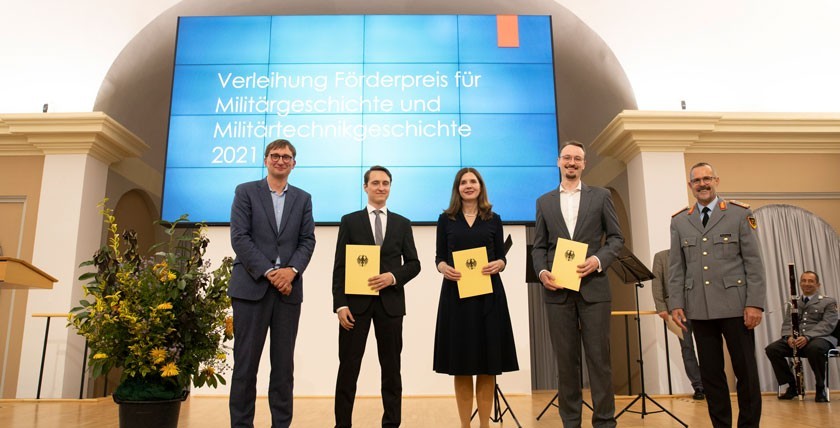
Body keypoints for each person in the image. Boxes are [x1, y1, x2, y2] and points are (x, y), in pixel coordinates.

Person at [531, 141, 624, 428]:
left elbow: (616, 239)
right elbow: (539, 247)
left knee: (599, 361)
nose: (571, 162)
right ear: (558, 162)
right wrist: (542, 271)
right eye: (567, 157)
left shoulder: (601, 196)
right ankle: (571, 422)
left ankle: (605, 422)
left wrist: (597, 260)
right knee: (566, 363)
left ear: (584, 164)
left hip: (594, 289)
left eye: (577, 159)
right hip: (558, 292)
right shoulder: (544, 201)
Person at [668, 162, 765, 428]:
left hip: (736, 307)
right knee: (711, 375)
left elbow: (754, 263)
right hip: (699, 309)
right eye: (697, 180)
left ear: (716, 181)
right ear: (690, 186)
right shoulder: (679, 221)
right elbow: (677, 267)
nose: (702, 184)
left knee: (745, 371)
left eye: (707, 178)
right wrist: (676, 302)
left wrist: (754, 303)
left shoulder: (738, 214)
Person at [228, 139, 316, 428]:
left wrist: (290, 271)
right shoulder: (245, 192)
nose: (281, 160)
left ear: (294, 163)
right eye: (276, 155)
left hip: (288, 293)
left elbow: (307, 240)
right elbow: (240, 237)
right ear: (266, 160)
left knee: (282, 368)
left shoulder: (303, 198)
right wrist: (270, 271)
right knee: (245, 366)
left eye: (287, 157)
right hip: (251, 290)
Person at [332, 166, 421, 427]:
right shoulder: (349, 221)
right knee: (348, 369)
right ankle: (342, 424)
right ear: (365, 187)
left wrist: (392, 277)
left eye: (385, 183)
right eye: (375, 183)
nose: (381, 187)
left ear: (390, 187)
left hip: (391, 306)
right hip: (355, 307)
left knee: (392, 371)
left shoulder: (403, 223)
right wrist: (340, 304)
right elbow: (340, 267)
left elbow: (414, 264)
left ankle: (391, 423)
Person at [434, 167, 519, 428]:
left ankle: (484, 425)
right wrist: (443, 268)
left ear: (480, 187)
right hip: (456, 298)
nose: (468, 186)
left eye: (473, 182)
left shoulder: (494, 219)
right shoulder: (445, 219)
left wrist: (501, 264)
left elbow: (501, 256)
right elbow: (439, 258)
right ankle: (465, 426)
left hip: (489, 298)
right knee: (461, 365)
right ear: (457, 188)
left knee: (487, 363)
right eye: (463, 182)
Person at [765, 270, 838, 402]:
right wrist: (789, 337)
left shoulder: (828, 302)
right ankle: (793, 387)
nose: (807, 283)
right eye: (804, 281)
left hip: (820, 338)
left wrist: (807, 337)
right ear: (800, 283)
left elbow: (827, 324)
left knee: (815, 348)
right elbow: (787, 323)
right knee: (772, 349)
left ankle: (820, 387)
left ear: (818, 284)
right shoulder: (794, 301)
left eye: (811, 281)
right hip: (798, 340)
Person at [650, 249, 705, 400]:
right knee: (687, 348)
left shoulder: (696, 253)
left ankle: (710, 383)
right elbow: (656, 282)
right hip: (675, 309)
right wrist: (661, 307)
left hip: (700, 306)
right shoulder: (661, 256)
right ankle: (698, 385)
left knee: (706, 347)